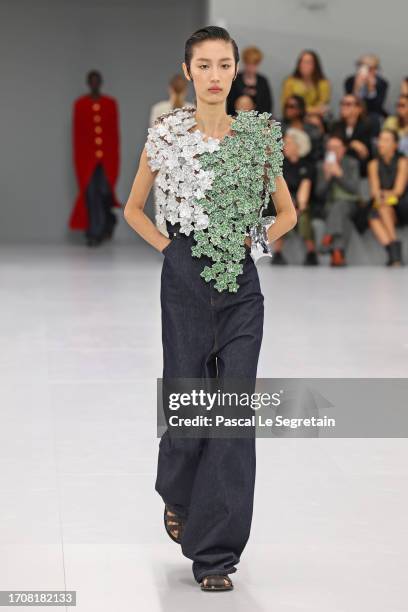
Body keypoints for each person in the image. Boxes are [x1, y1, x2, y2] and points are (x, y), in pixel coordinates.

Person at [123, 25, 296, 592]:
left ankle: (216, 554)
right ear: (189, 71)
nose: (216, 75)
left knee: (233, 412)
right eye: (205, 65)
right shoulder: (166, 134)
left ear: (237, 70)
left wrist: (253, 242)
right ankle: (177, 491)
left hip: (241, 282)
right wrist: (171, 252)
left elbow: (287, 214)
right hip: (186, 279)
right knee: (190, 395)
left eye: (225, 65)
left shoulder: (257, 138)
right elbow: (134, 208)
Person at [69, 70, 121, 247]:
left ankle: (109, 219)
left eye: (97, 81)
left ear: (101, 82)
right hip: (86, 158)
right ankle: (94, 233)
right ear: (87, 83)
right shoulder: (80, 104)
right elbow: (77, 134)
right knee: (91, 193)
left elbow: (114, 134)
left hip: (107, 157)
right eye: (91, 81)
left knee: (105, 191)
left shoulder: (110, 103)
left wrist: (114, 156)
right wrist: (80, 158)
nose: (94, 84)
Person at [149, 74, 195, 236]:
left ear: (169, 88)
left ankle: (165, 240)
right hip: (185, 164)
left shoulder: (158, 109)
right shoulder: (191, 109)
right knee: (184, 201)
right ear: (186, 90)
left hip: (163, 162)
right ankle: (181, 238)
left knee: (162, 203)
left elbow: (154, 138)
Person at [270, 129, 318, 265]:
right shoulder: (280, 165)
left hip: (304, 202)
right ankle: (277, 252)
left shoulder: (308, 166)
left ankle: (311, 252)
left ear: (298, 145)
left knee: (303, 217)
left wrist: (298, 207)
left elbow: (305, 187)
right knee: (281, 214)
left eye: (289, 143)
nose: (284, 145)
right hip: (282, 202)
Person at [315, 135, 361, 266]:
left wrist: (340, 175)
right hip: (328, 205)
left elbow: (355, 189)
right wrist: (327, 178)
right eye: (330, 148)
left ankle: (327, 237)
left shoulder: (352, 164)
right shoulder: (322, 166)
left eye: (336, 147)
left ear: (343, 149)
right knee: (340, 215)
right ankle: (337, 255)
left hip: (350, 203)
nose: (333, 151)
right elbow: (319, 194)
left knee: (340, 206)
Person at [367, 129, 408, 266]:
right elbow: (374, 191)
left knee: (380, 210)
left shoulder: (403, 162)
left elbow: (399, 190)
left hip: (402, 205)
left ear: (395, 145)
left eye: (386, 140)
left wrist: (383, 195)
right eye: (380, 139)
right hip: (384, 203)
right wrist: (382, 196)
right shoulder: (373, 164)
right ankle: (394, 254)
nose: (381, 143)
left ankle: (394, 254)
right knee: (374, 217)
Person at [344, 54, 388, 136]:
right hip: (353, 111)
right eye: (363, 66)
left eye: (370, 68)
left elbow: (377, 106)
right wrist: (356, 88)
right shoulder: (350, 81)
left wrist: (371, 89)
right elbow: (348, 102)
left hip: (372, 112)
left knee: (374, 119)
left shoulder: (382, 83)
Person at [331, 94, 373, 177]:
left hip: (359, 168)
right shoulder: (336, 126)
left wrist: (345, 146)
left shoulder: (367, 126)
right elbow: (333, 146)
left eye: (348, 104)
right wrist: (352, 144)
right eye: (342, 104)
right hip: (338, 165)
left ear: (359, 109)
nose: (343, 107)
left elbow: (365, 152)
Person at [281, 50, 331, 119]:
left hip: (316, 118)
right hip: (293, 117)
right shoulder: (290, 82)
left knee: (314, 120)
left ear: (315, 65)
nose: (305, 65)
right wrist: (309, 110)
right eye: (302, 62)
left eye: (308, 62)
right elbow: (287, 105)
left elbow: (322, 107)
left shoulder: (323, 83)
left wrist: (303, 110)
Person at [226, 45, 273, 115]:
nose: (251, 68)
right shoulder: (235, 79)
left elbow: (267, 105)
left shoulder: (262, 81)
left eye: (254, 64)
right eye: (248, 64)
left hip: (257, 121)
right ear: (244, 63)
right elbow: (228, 103)